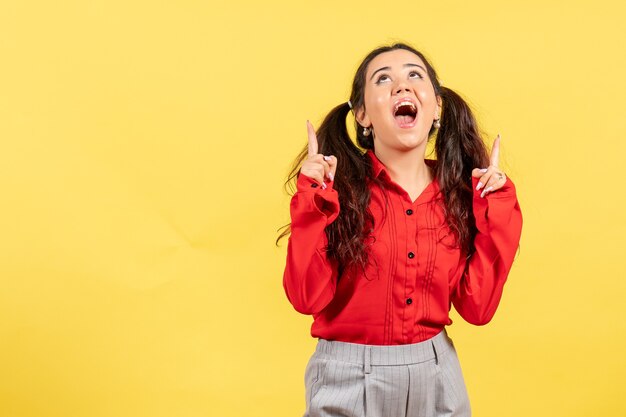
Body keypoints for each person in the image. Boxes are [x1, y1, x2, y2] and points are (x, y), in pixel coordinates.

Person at [276, 42, 523, 417]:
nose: (402, 86)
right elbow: (306, 299)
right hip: (347, 375)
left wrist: (499, 207)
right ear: (362, 115)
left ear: (436, 105)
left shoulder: (461, 195)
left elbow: (478, 308)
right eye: (383, 79)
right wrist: (313, 201)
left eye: (414, 75)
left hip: (437, 371)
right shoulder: (335, 192)